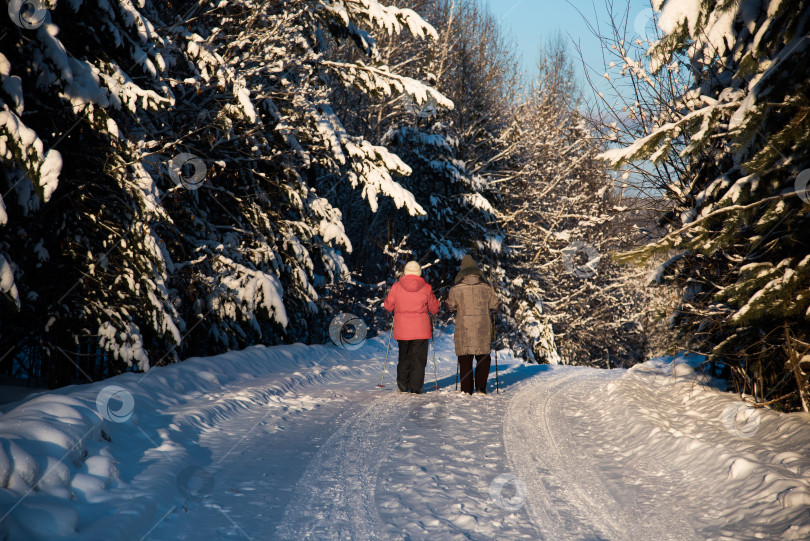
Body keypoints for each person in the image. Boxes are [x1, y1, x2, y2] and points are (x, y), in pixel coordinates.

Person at [445, 255, 499, 394]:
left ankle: (466, 389)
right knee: (483, 355)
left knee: (465, 357)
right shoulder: (486, 288)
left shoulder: (456, 289)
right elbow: (494, 304)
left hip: (464, 327)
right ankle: (481, 387)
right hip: (483, 325)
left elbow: (451, 306)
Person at [384, 261, 440, 393]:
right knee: (419, 359)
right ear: (419, 272)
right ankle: (416, 387)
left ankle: (403, 385)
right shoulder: (426, 287)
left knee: (404, 357)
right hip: (421, 329)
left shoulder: (396, 286)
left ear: (405, 272)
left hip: (402, 329)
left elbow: (388, 306)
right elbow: (434, 309)